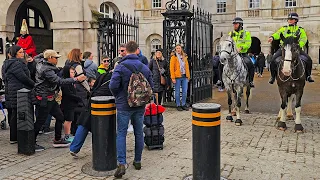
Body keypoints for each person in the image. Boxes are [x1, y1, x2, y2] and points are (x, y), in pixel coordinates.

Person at [109, 41, 153, 178]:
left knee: (121, 133)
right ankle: (137, 161)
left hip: (123, 105)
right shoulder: (144, 67)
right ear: (137, 50)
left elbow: (113, 85)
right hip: (139, 105)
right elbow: (151, 86)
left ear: (126, 50)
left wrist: (119, 97)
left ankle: (122, 162)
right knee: (139, 133)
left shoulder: (120, 66)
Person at [33, 50, 86, 151]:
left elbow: (38, 56)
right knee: (40, 121)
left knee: (60, 116)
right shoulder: (46, 70)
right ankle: (31, 143)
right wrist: (76, 79)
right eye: (56, 58)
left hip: (50, 97)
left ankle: (57, 139)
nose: (57, 60)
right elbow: (59, 81)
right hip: (45, 98)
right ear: (49, 58)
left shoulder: (40, 61)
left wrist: (47, 52)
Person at [70, 64, 113, 158]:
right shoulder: (116, 77)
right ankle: (104, 150)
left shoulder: (105, 74)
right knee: (101, 126)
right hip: (104, 103)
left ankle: (74, 148)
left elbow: (95, 85)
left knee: (85, 123)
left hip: (93, 99)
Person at [268, 12, 314, 84]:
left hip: (296, 49)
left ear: (295, 20)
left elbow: (304, 39)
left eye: (291, 19)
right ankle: (273, 76)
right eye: (288, 19)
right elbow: (277, 34)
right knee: (273, 60)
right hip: (284, 48)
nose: (289, 20)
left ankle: (308, 75)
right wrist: (272, 37)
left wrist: (299, 45)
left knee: (308, 60)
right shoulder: (284, 28)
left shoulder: (300, 30)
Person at [2, 45, 35, 144]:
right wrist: (34, 85)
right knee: (18, 113)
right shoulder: (17, 63)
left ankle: (14, 136)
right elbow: (23, 77)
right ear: (15, 53)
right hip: (19, 90)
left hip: (12, 90)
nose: (23, 54)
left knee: (14, 113)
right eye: (20, 52)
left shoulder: (7, 64)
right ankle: (17, 136)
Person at [228, 17, 255, 88]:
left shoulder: (246, 33)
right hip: (232, 54)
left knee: (251, 65)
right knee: (220, 64)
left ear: (240, 24)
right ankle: (220, 81)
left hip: (242, 54)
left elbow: (248, 43)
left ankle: (250, 81)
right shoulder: (231, 33)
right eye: (234, 24)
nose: (234, 25)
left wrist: (242, 47)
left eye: (236, 24)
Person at [60, 66, 83, 143]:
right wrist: (78, 98)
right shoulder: (65, 82)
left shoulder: (71, 82)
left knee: (70, 119)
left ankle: (68, 134)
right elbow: (68, 94)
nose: (73, 74)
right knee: (68, 120)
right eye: (71, 72)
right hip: (68, 103)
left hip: (72, 103)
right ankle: (67, 136)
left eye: (74, 72)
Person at [170, 44, 190, 111]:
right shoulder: (174, 57)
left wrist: (188, 76)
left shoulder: (184, 57)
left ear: (181, 49)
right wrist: (173, 78)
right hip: (177, 76)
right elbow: (171, 68)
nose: (178, 49)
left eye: (179, 48)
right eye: (177, 48)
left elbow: (187, 67)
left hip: (184, 76)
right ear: (175, 49)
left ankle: (183, 104)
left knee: (184, 91)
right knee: (177, 91)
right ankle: (178, 105)